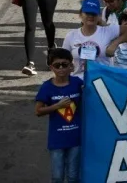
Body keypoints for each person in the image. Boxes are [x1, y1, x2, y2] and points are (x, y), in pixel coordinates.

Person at [35, 48, 83, 183]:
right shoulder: (46, 87)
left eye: (64, 64)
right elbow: (38, 111)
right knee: (57, 177)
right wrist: (57, 106)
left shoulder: (78, 83)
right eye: (57, 65)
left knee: (73, 176)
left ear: (71, 66)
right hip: (56, 140)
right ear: (51, 67)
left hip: (76, 138)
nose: (61, 68)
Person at [61, 0, 126, 79]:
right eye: (87, 13)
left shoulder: (108, 31)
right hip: (78, 82)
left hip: (102, 82)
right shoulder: (71, 35)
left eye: (94, 14)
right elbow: (62, 60)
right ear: (80, 15)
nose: (90, 16)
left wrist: (116, 43)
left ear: (99, 16)